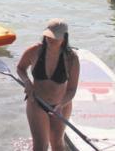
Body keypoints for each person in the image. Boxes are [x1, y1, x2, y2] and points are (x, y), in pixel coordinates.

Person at [16, 19, 80, 151]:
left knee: (57, 143)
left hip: (61, 105)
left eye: (55, 38)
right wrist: (27, 82)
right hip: (36, 103)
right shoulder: (34, 51)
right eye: (48, 36)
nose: (50, 40)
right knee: (40, 146)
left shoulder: (72, 58)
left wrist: (60, 105)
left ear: (64, 38)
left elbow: (72, 89)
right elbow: (20, 68)